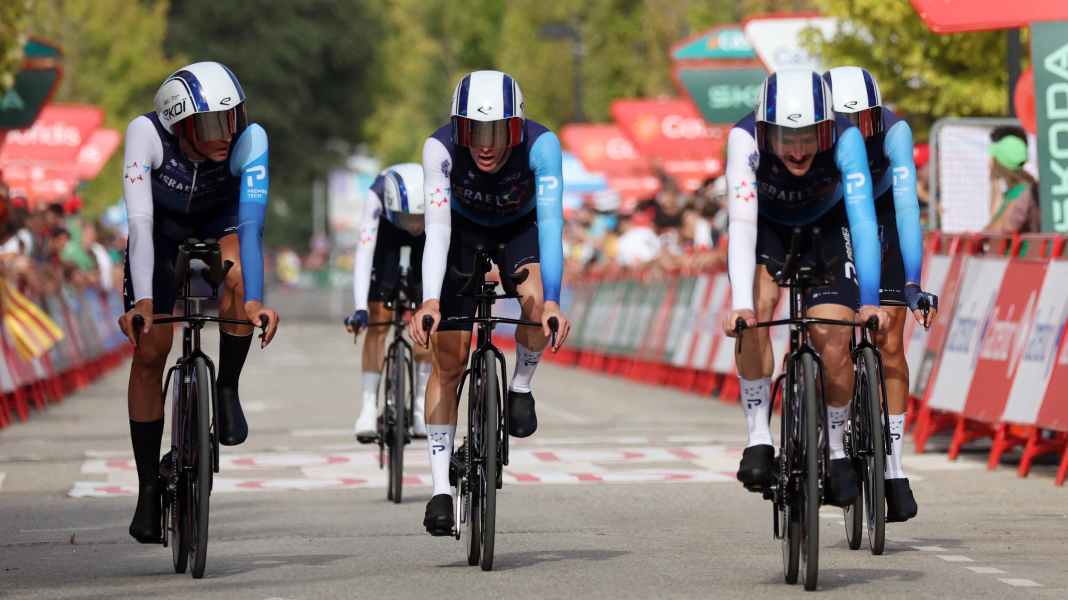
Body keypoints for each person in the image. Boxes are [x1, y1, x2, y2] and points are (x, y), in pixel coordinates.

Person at [117, 61, 281, 544]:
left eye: (233, 118)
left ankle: (226, 388)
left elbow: (251, 226)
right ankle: (149, 489)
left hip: (221, 222)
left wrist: (253, 302)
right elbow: (140, 224)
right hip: (162, 232)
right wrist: (144, 302)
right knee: (151, 349)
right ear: (179, 123)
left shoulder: (251, 141)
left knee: (237, 279)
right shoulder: (145, 135)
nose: (227, 133)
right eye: (212, 123)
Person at [409, 70, 571, 535]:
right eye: (474, 131)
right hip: (460, 232)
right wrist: (430, 300)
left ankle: (520, 386)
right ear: (460, 129)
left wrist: (555, 300)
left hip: (519, 230)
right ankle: (441, 488)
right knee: (449, 360)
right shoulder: (439, 148)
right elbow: (437, 231)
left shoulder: (543, 146)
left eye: (497, 131)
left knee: (537, 299)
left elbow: (551, 227)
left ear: (516, 128)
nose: (484, 143)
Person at [721, 68, 889, 508]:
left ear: (826, 129)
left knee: (833, 336)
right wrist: (741, 306)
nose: (797, 150)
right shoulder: (743, 140)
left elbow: (862, 218)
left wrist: (869, 300)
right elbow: (741, 222)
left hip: (828, 230)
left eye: (808, 136)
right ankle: (758, 436)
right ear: (765, 130)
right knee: (755, 311)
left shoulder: (848, 139)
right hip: (768, 230)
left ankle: (835, 449)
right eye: (786, 137)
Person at [824, 66, 940, 522]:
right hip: (832, 216)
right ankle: (824, 424)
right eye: (846, 123)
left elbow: (909, 206)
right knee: (827, 329)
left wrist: (911, 282)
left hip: (885, 213)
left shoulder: (895, 132)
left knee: (889, 339)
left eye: (866, 121)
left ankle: (892, 465)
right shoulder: (812, 138)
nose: (857, 132)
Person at [345, 163, 432, 440]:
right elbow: (364, 253)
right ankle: (368, 406)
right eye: (409, 219)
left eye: (418, 218)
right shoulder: (377, 195)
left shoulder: (437, 193)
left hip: (428, 238)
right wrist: (361, 307)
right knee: (377, 319)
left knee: (426, 319)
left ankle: (420, 404)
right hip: (386, 234)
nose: (413, 225)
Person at [984, 126, 1040, 235]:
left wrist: (994, 181)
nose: (989, 162)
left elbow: (997, 229)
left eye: (992, 158)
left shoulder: (1020, 192)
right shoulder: (1020, 189)